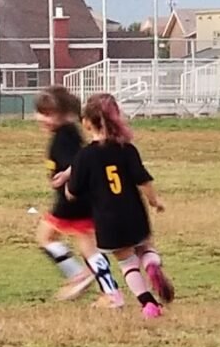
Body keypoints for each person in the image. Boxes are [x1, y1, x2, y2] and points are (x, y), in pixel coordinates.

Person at [68, 93, 174, 319]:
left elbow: (74, 191)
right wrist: (155, 202)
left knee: (127, 262)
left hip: (108, 221)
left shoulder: (84, 156)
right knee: (145, 247)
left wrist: (68, 189)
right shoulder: (127, 149)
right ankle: (152, 264)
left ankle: (149, 305)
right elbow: (143, 180)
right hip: (133, 212)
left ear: (87, 122)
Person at [35, 85, 123, 307]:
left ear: (64, 115)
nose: (41, 118)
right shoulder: (69, 133)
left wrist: (65, 178)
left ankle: (81, 277)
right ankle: (106, 291)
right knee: (86, 247)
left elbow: (79, 161)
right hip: (81, 199)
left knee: (46, 237)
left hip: (71, 200)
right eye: (40, 112)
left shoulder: (64, 138)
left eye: (47, 114)